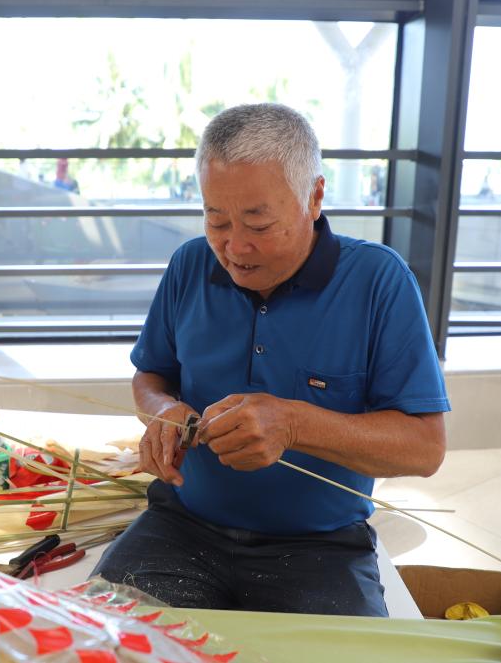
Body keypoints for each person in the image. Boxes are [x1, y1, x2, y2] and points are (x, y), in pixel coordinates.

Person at [92, 103, 450, 617]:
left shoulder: (378, 282)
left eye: (258, 223)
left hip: (320, 546)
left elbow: (424, 449)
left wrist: (294, 424)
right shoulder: (190, 264)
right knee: (102, 638)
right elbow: (151, 376)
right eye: (216, 219)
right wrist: (161, 412)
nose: (235, 247)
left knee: (339, 654)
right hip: (181, 527)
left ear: (314, 198)